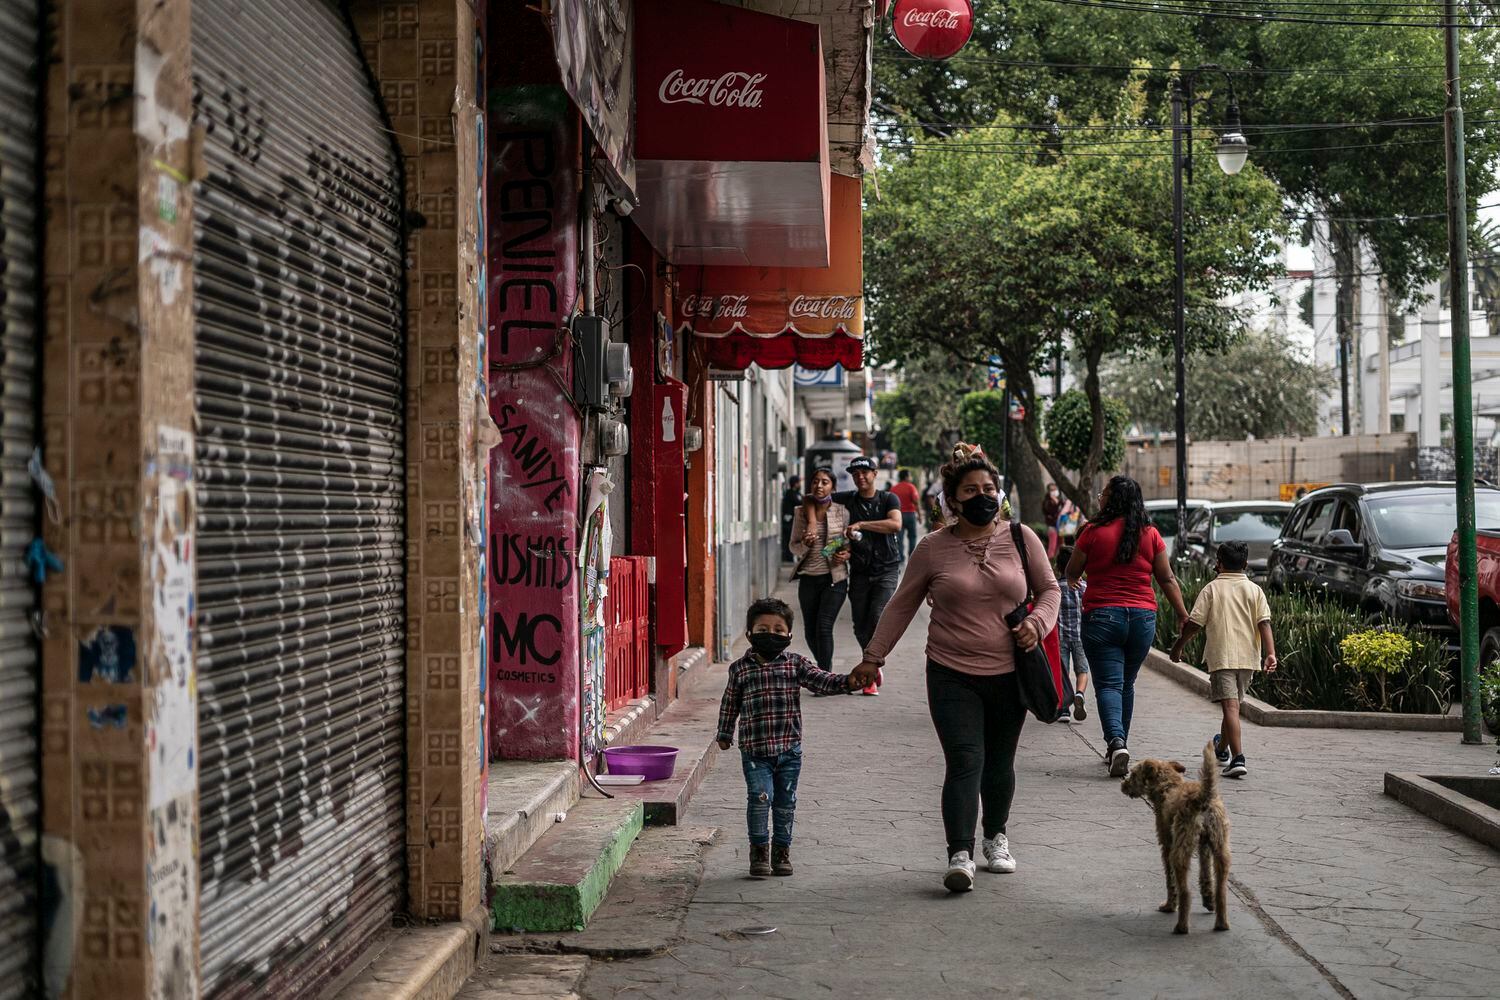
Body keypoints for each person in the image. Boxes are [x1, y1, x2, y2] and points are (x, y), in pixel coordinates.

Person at [850, 444, 1060, 893]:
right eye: (971, 489)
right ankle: (959, 853)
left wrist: (1037, 624)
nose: (982, 495)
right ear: (953, 498)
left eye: (989, 488)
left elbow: (1050, 590)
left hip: (1010, 673)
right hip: (950, 672)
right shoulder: (932, 549)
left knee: (999, 763)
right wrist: (873, 656)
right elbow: (901, 604)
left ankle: (996, 837)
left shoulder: (1023, 538)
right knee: (966, 760)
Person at [716, 597, 862, 877]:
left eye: (778, 630)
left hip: (789, 751)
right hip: (755, 751)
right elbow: (730, 703)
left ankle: (781, 853)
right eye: (762, 629)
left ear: (789, 635)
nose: (770, 634)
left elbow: (823, 680)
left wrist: (847, 682)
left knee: (785, 803)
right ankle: (759, 853)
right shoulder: (740, 669)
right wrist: (724, 732)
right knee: (759, 798)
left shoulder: (796, 664)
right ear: (749, 634)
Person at [1066, 475, 1189, 778]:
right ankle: (1118, 746)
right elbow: (1167, 579)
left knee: (1108, 684)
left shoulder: (1092, 532)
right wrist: (1183, 614)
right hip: (1142, 619)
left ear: (1112, 499)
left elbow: (1072, 570)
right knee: (1126, 684)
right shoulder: (1150, 534)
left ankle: (1116, 742)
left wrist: (1076, 577)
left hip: (1102, 616)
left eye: (1103, 493)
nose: (1099, 497)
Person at [1169, 541, 1278, 779]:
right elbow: (1264, 623)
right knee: (1233, 708)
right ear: (1246, 564)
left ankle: (1238, 758)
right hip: (1248, 659)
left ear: (1218, 563)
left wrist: (1178, 647)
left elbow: (1194, 625)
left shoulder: (1211, 589)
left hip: (1222, 656)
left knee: (1230, 707)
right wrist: (1270, 653)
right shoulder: (1254, 590)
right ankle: (1222, 749)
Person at [835, 456, 904, 693]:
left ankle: (871, 672)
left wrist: (862, 525)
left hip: (886, 568)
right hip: (860, 571)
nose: (860, 477)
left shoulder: (888, 498)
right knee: (859, 624)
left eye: (865, 473)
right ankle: (872, 664)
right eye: (855, 474)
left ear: (875, 474)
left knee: (876, 617)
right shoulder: (847, 500)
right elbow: (818, 499)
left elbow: (895, 524)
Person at [788, 468, 851, 673]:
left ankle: (824, 674)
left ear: (833, 486)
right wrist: (805, 544)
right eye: (816, 481)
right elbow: (793, 546)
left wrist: (842, 553)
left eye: (825, 482)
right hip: (808, 578)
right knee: (809, 632)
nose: (819, 485)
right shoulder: (801, 512)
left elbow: (847, 540)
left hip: (835, 578)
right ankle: (824, 671)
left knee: (824, 627)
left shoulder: (842, 511)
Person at [1054, 546, 1089, 723]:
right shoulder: (1085, 587)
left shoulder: (1055, 588)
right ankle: (1080, 693)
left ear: (1059, 568)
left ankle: (1064, 709)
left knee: (1062, 672)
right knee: (1082, 670)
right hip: (1080, 636)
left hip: (1060, 638)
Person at [890, 469, 922, 561]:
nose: (911, 478)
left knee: (899, 537)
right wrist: (919, 515)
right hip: (910, 515)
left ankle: (901, 557)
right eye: (910, 476)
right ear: (906, 477)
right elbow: (916, 502)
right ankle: (911, 556)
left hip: (898, 516)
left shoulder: (894, 488)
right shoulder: (911, 487)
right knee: (912, 536)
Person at [780, 475, 802, 563]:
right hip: (789, 523)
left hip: (794, 522)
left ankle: (792, 557)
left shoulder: (797, 494)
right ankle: (789, 558)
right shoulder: (790, 494)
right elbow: (799, 502)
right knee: (789, 540)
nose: (799, 484)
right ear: (795, 484)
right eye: (798, 483)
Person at [1043, 483, 1063, 558]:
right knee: (1052, 546)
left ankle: (1059, 561)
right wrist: (1056, 503)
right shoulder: (1047, 502)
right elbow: (1051, 511)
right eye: (1052, 490)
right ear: (1048, 491)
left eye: (1055, 489)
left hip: (1061, 526)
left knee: (1060, 546)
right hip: (1052, 526)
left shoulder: (1060, 500)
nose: (1054, 491)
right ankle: (1051, 562)